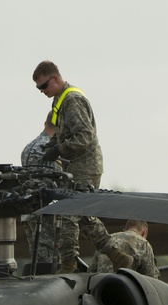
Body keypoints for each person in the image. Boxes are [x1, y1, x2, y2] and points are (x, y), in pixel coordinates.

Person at [32, 61, 115, 273]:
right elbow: (64, 133)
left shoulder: (72, 100)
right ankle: (117, 255)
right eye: (39, 88)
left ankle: (68, 264)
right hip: (76, 165)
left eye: (44, 86)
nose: (42, 91)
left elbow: (85, 136)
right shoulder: (59, 101)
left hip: (85, 165)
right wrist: (51, 147)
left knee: (67, 212)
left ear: (56, 79)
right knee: (85, 217)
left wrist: (60, 150)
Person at [20, 114, 60, 269]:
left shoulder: (29, 147)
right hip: (45, 213)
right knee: (47, 262)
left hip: (27, 210)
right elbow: (58, 182)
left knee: (36, 258)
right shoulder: (52, 148)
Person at [83, 218, 160, 277]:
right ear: (144, 232)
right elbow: (151, 278)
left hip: (100, 290)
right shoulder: (143, 244)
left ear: (124, 230)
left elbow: (91, 272)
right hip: (125, 291)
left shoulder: (106, 241)